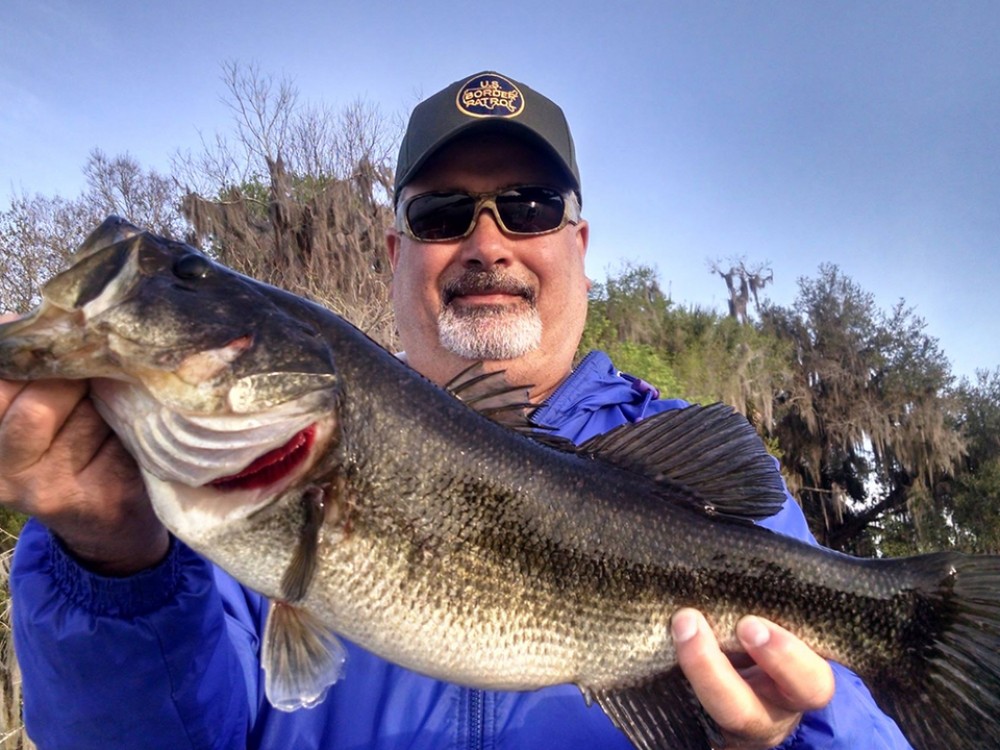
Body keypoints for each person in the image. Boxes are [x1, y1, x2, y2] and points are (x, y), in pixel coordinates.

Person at [1, 71, 911, 749]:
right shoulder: (180, 527)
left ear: (579, 244)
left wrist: (778, 738)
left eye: (527, 206)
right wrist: (112, 561)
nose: (486, 243)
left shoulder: (701, 485)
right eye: (443, 214)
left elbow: (864, 729)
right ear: (394, 249)